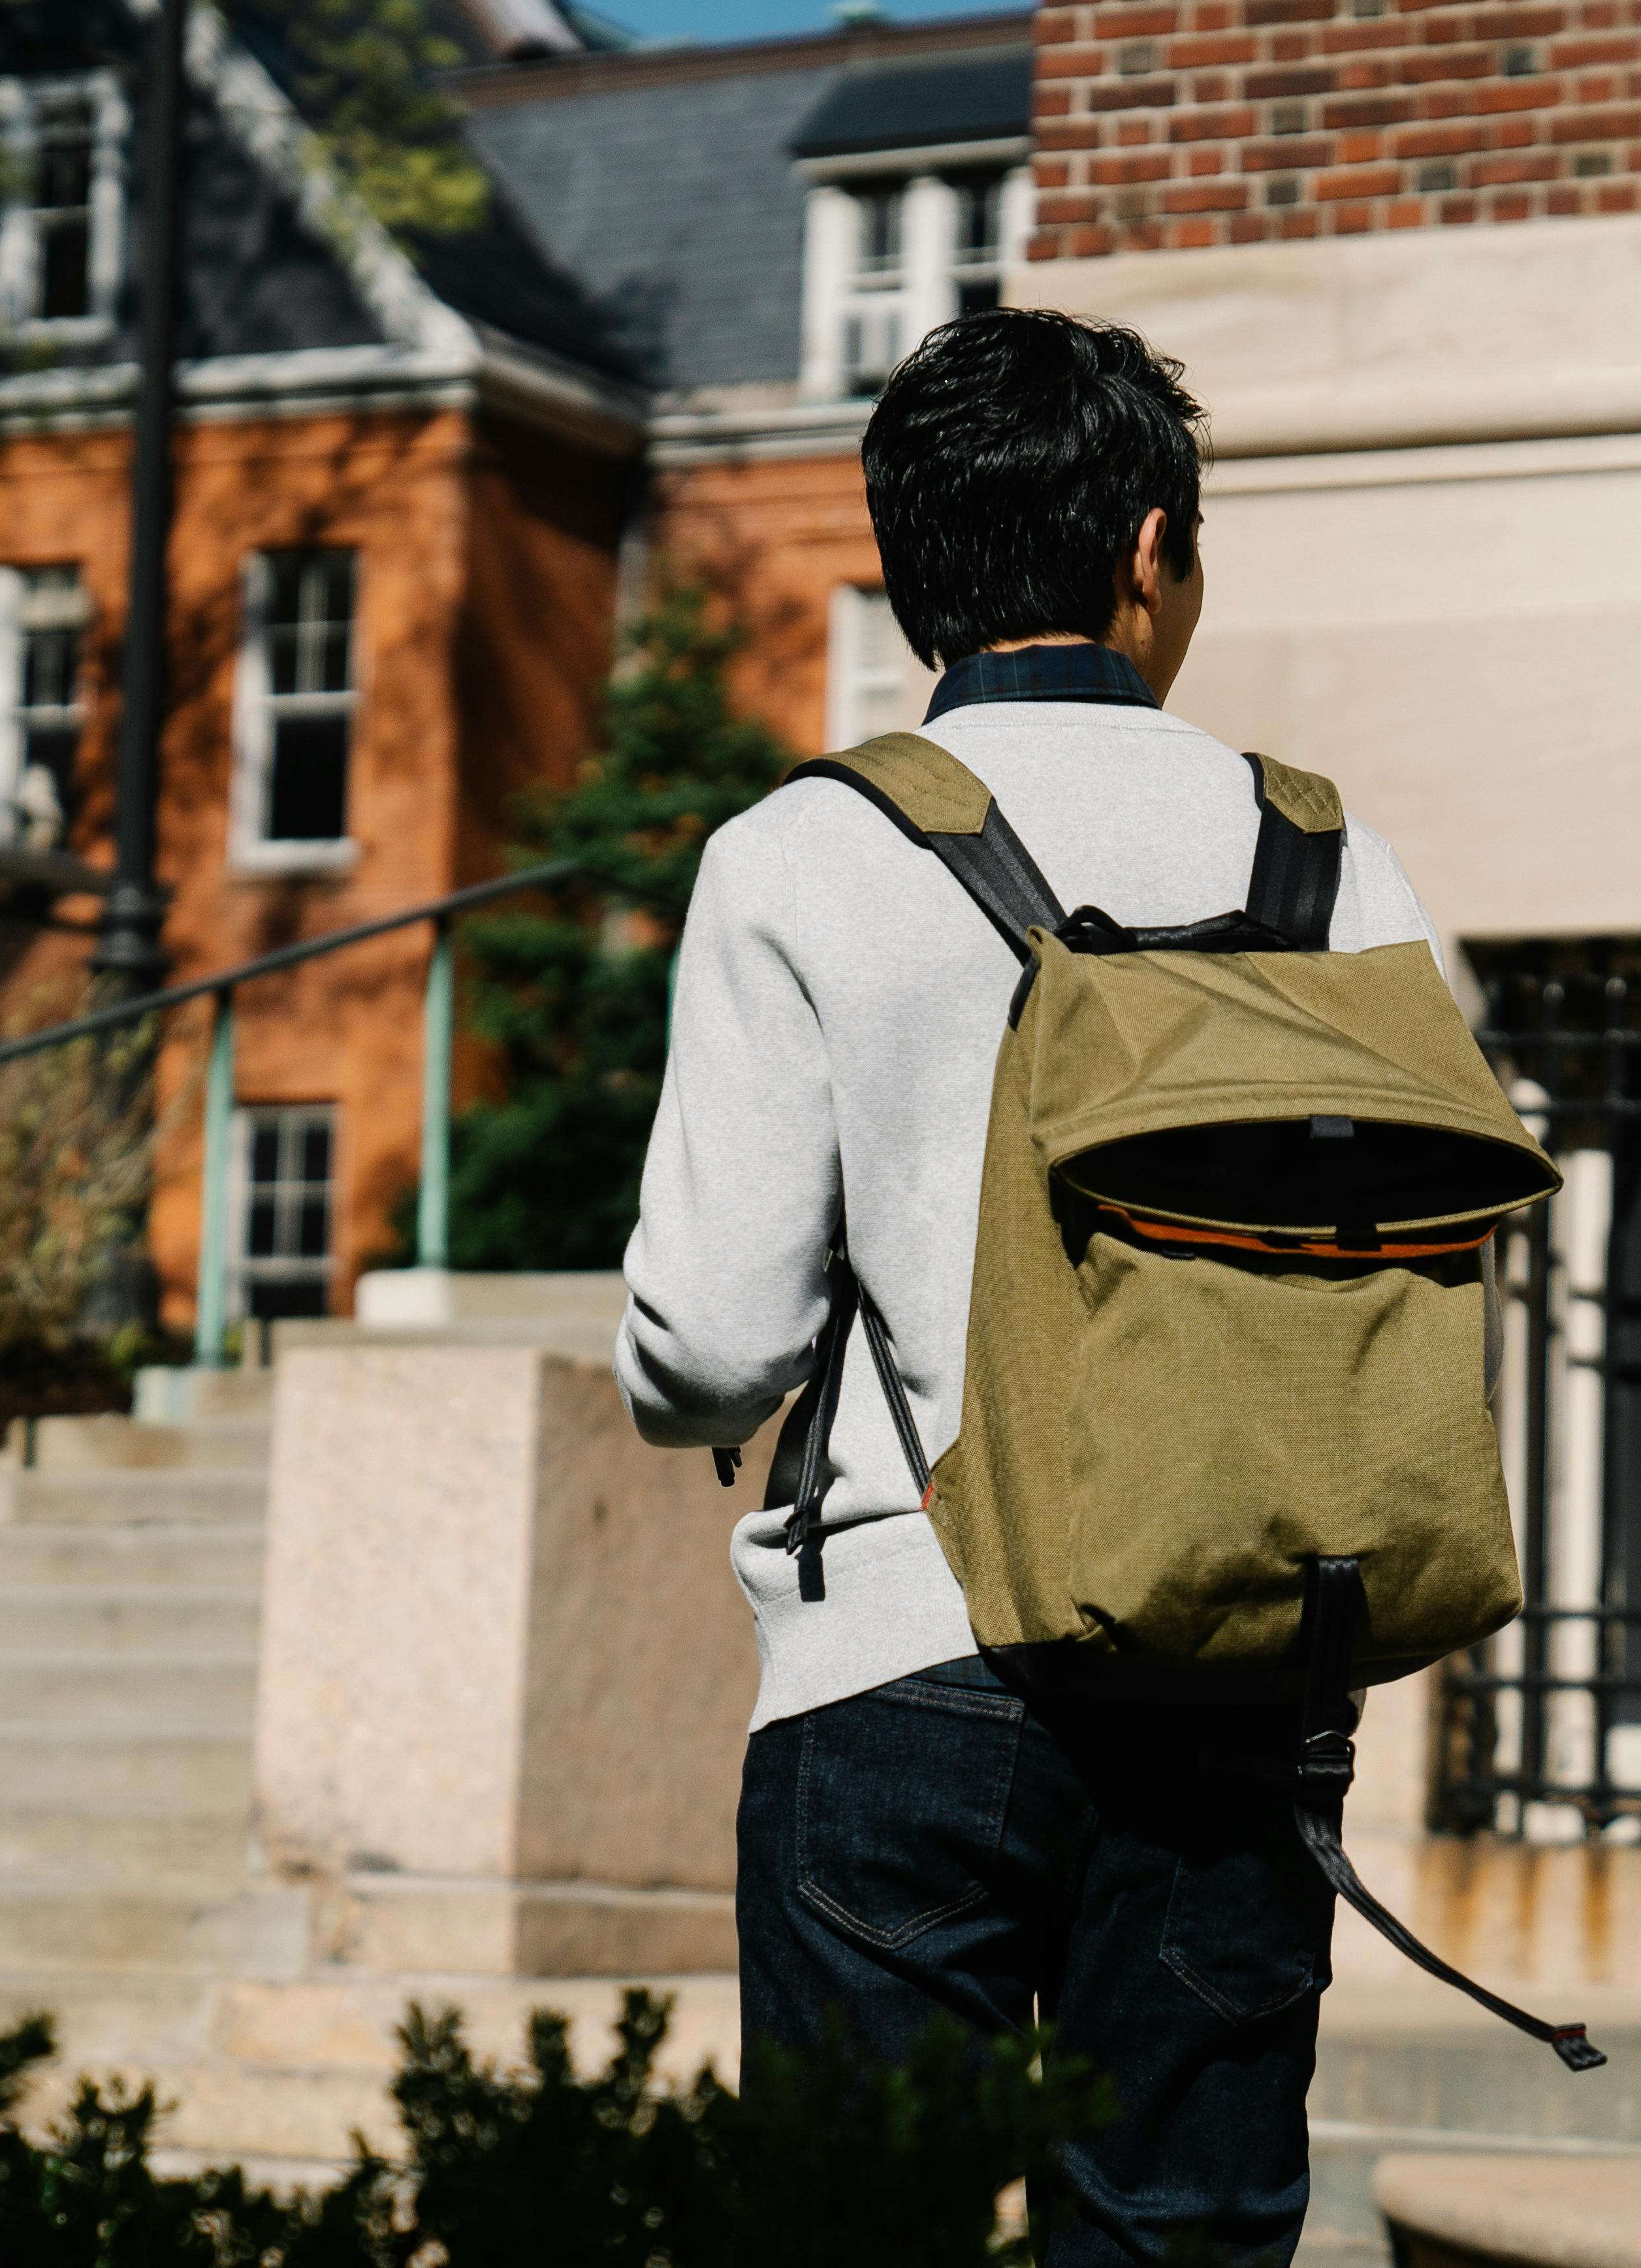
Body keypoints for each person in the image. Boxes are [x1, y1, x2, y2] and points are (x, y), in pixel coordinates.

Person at [614, 308, 1452, 2263]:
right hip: (1240, 1676)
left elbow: (717, 1337)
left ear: (915, 574)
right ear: (1151, 549)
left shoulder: (799, 854)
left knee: (867, 2235)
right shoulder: (1329, 855)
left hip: (901, 1662)